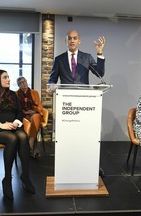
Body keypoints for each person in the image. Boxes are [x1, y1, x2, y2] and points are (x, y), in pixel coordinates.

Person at [47, 29, 106, 176]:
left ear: (79, 41)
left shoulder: (86, 57)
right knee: (68, 137)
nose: (72, 41)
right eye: (69, 38)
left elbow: (100, 73)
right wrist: (50, 85)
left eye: (75, 38)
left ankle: (90, 165)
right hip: (66, 103)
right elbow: (52, 78)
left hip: (84, 103)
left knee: (85, 137)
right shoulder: (59, 59)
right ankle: (66, 165)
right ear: (66, 41)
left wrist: (99, 53)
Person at [0, 69, 35, 200]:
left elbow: (20, 113)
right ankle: (7, 179)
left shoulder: (13, 94)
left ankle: (25, 176)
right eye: (5, 77)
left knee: (23, 136)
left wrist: (15, 122)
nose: (8, 79)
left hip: (12, 126)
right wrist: (0, 125)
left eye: (8, 77)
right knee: (12, 139)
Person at [16, 76, 43, 159]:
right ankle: (30, 150)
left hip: (34, 113)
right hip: (23, 115)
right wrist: (24, 112)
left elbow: (39, 105)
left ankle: (30, 146)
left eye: (25, 81)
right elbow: (16, 107)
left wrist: (34, 111)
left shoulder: (34, 92)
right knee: (31, 123)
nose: (24, 84)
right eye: (21, 83)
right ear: (18, 85)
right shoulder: (16, 94)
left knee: (35, 118)